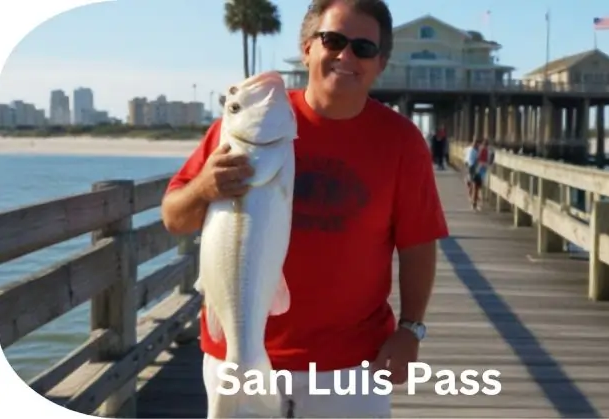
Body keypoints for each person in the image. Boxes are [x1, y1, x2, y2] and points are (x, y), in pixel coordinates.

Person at [160, 0, 449, 417]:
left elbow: (419, 243)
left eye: (364, 48)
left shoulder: (402, 143)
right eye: (333, 40)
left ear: (381, 63)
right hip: (236, 353)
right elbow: (173, 218)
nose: (346, 56)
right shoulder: (239, 130)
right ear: (307, 47)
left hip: (351, 365)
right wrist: (203, 187)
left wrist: (411, 328)